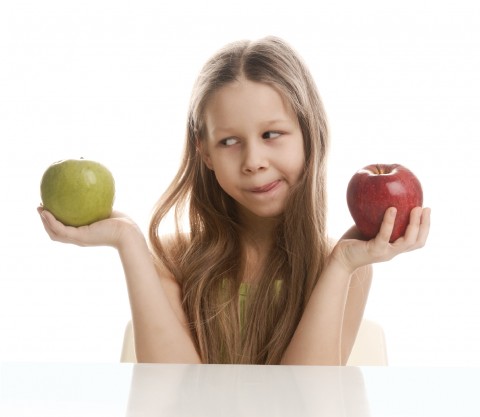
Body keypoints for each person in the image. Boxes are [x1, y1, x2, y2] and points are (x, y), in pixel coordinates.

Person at [38, 36, 430, 365]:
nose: (254, 162)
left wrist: (342, 265)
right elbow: (174, 394)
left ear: (310, 138)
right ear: (205, 153)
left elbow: (308, 401)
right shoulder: (174, 261)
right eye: (229, 141)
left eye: (272, 134)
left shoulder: (345, 266)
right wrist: (128, 242)